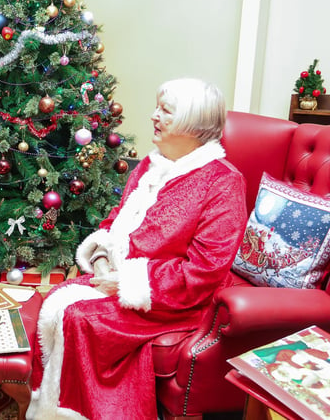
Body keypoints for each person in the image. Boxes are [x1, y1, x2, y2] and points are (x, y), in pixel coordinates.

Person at [27, 78, 248, 419]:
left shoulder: (223, 182)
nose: (153, 116)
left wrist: (126, 281)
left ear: (193, 124)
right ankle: (49, 407)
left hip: (174, 300)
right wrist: (101, 257)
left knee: (81, 319)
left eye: (166, 111)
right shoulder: (151, 164)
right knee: (54, 304)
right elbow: (116, 219)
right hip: (120, 279)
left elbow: (205, 270)